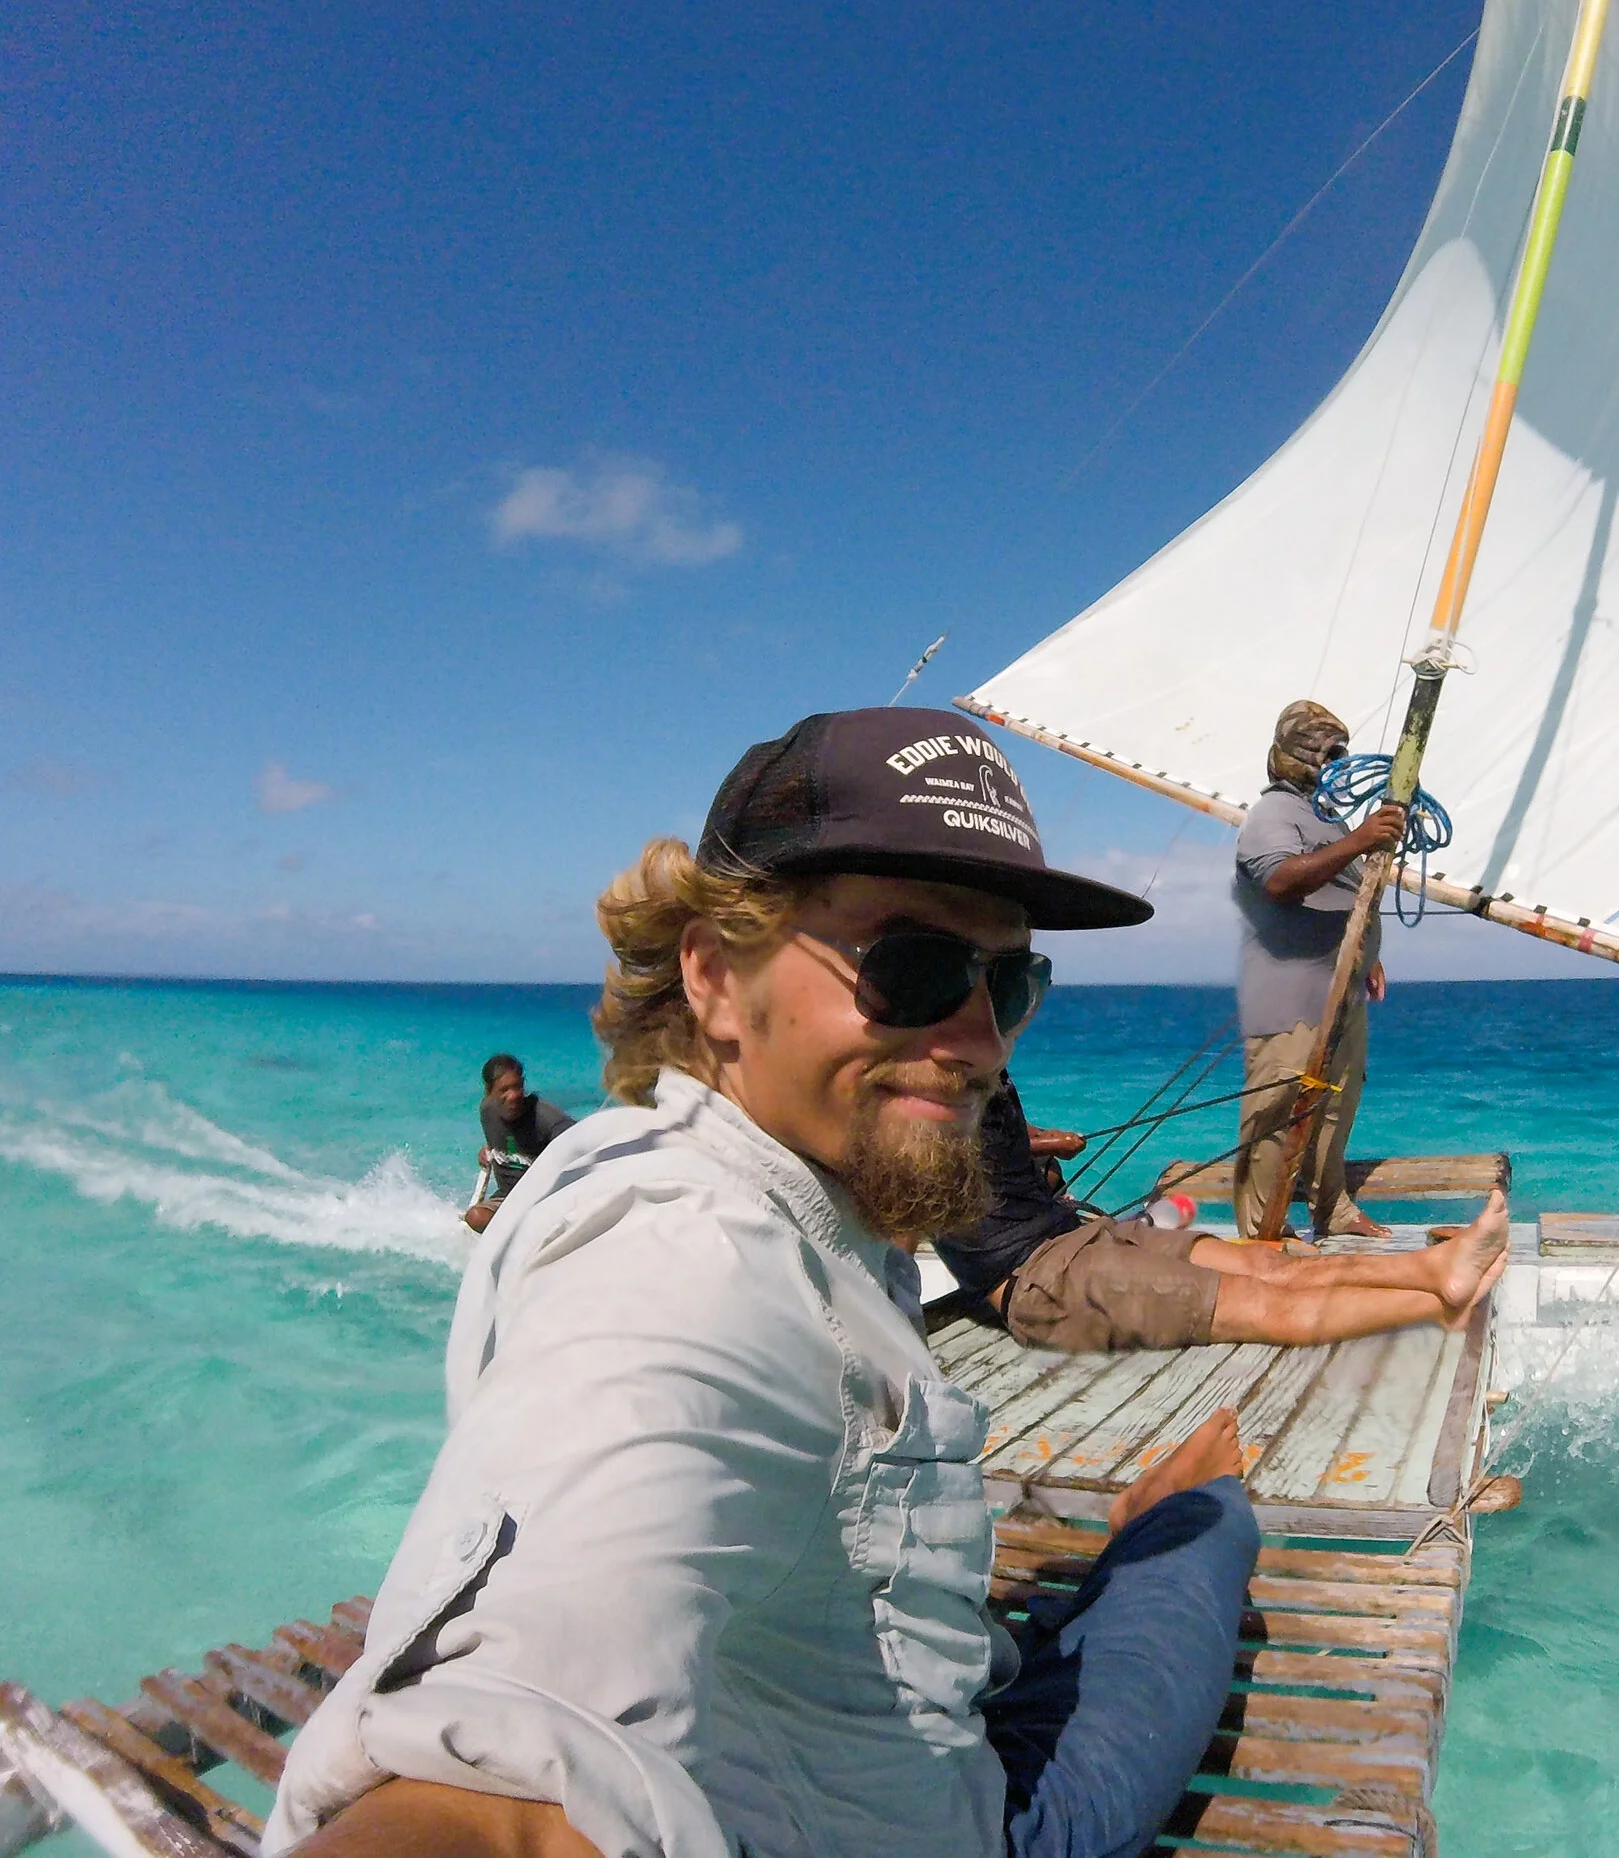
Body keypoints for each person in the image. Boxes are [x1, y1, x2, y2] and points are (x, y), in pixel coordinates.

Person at [268, 707, 1263, 1858]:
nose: (983, 1038)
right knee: (1209, 1538)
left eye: (1009, 981)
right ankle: (1178, 1515)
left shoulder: (692, 1158)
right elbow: (509, 1750)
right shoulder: (683, 1263)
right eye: (914, 968)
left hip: (844, 1745)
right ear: (715, 977)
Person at [935, 1074, 1506, 1352]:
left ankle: (1436, 1271)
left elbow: (991, 1132)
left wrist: (1046, 1142)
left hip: (1077, 1237)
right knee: (1268, 1306)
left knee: (1271, 1264)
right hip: (1037, 1282)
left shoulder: (981, 1065)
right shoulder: (915, 1094)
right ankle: (1436, 1308)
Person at [1231, 699, 1404, 1242]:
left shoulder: (1324, 817)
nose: (1338, 763)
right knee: (1275, 1114)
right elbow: (1279, 880)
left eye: (1340, 752)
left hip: (1340, 988)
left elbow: (1344, 890)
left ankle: (1333, 1210)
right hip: (1290, 995)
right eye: (1328, 753)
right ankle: (1263, 1233)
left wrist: (1368, 955)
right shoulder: (1273, 814)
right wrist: (1359, 840)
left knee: (1336, 1103)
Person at [462, 1055, 577, 1232]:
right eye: (504, 1090)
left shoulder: (549, 1120)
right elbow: (507, 1141)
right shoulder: (487, 1111)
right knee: (475, 1217)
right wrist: (488, 1148)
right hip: (508, 1199)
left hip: (545, 1201)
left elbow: (583, 1147)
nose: (514, 1095)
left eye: (518, 1086)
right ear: (489, 1091)